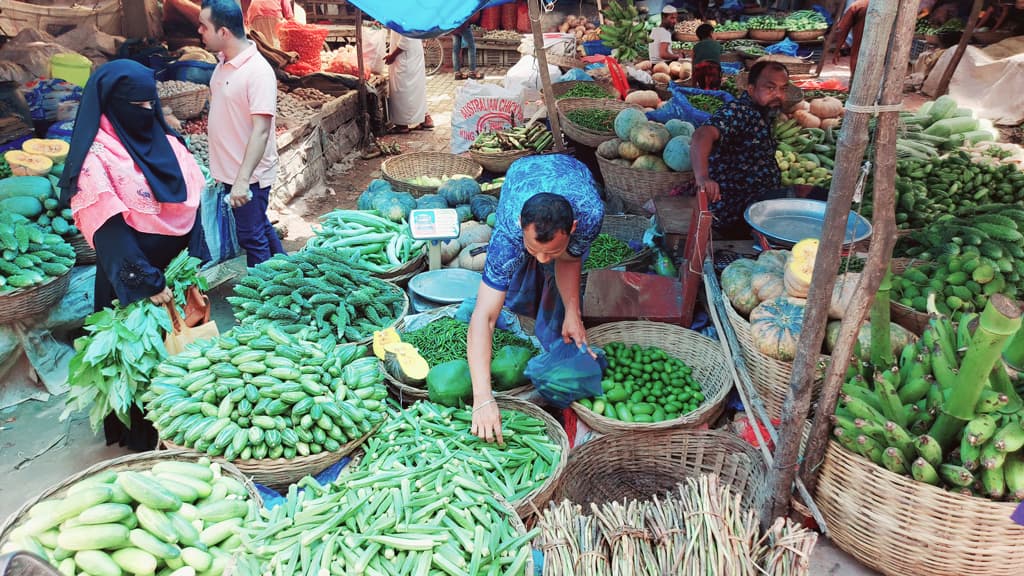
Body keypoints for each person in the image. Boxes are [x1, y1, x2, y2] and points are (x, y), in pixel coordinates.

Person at [58, 59, 205, 449]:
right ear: (111, 104)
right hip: (134, 281)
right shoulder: (97, 159)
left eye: (149, 104)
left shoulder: (168, 140)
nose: (146, 113)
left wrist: (190, 263)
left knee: (180, 352)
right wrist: (147, 282)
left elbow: (192, 199)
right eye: (135, 106)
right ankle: (144, 439)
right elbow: (108, 230)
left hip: (174, 271)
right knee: (140, 362)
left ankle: (182, 428)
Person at [467, 155, 604, 443]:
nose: (543, 259)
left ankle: (552, 337)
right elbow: (485, 316)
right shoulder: (509, 231)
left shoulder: (590, 214)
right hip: (523, 174)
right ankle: (525, 328)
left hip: (573, 170)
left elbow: (568, 261)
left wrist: (573, 313)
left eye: (550, 250)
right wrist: (482, 398)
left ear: (574, 228)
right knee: (514, 288)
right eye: (534, 248)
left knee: (559, 289)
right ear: (520, 225)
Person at [200, 0, 286, 267]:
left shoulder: (257, 72)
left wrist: (242, 180)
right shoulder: (223, 62)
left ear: (223, 32)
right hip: (232, 171)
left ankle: (261, 300)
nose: (199, 32)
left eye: (203, 27)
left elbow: (261, 132)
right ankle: (288, 270)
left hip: (248, 174)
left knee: (251, 237)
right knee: (258, 225)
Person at [691, 60, 790, 238]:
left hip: (754, 208)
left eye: (783, 89)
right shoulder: (739, 111)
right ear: (751, 89)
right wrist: (703, 177)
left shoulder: (763, 112)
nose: (778, 95)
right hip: (733, 216)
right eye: (770, 88)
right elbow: (701, 135)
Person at [385, 31, 434, 132]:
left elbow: (406, 40)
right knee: (417, 87)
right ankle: (425, 117)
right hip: (413, 54)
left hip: (406, 55)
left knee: (402, 88)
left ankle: (402, 125)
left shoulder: (403, 16)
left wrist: (392, 56)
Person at [832, 0, 868, 83]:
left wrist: (837, 50)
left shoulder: (858, 5)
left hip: (858, 52)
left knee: (857, 55)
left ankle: (854, 83)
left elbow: (842, 29)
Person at [691, 23, 723, 90]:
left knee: (703, 86)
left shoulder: (696, 46)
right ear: (711, 33)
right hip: (713, 68)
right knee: (714, 87)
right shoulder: (718, 45)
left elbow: (693, 63)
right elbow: (718, 60)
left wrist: (693, 84)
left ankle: (704, 90)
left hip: (699, 69)